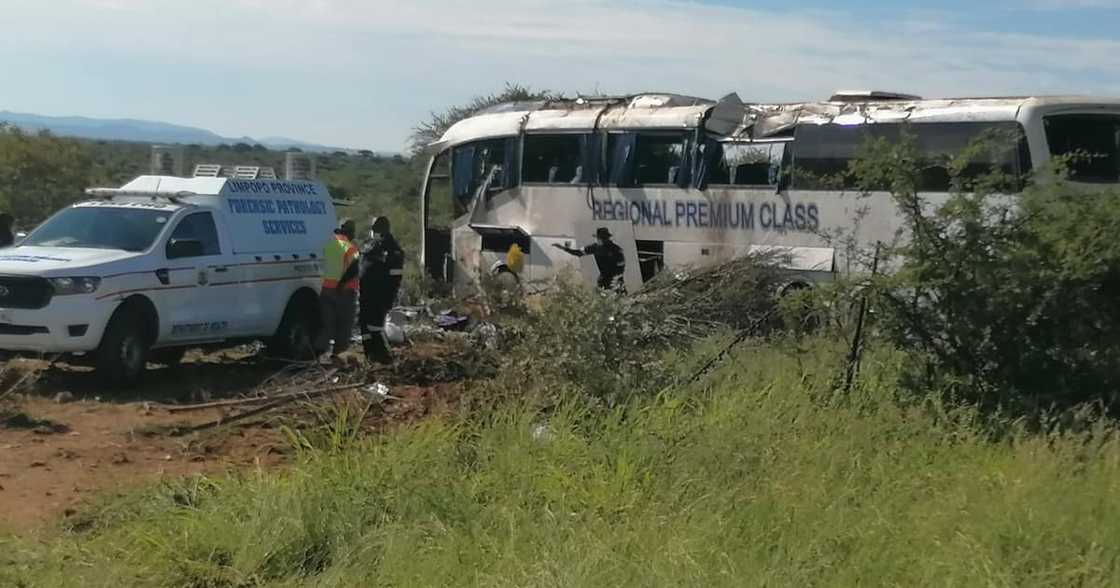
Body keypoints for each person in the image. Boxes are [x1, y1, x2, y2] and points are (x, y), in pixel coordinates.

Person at [357, 216, 404, 363]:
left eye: (375, 229)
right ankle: (369, 354)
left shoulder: (392, 250)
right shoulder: (371, 245)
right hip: (365, 294)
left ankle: (383, 357)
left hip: (379, 296)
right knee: (364, 326)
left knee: (375, 326)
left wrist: (388, 299)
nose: (373, 232)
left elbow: (395, 278)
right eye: (372, 229)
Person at [316, 218, 360, 360]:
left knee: (325, 326)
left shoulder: (327, 245)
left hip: (325, 291)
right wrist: (341, 285)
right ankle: (339, 358)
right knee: (343, 328)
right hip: (344, 293)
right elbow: (354, 269)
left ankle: (317, 355)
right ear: (351, 232)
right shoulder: (350, 247)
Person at [552, 227, 627, 293]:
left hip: (614, 281)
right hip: (605, 280)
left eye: (598, 238)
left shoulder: (615, 249)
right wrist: (564, 248)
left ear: (602, 239)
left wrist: (615, 279)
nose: (597, 240)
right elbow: (579, 253)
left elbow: (621, 266)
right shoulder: (595, 247)